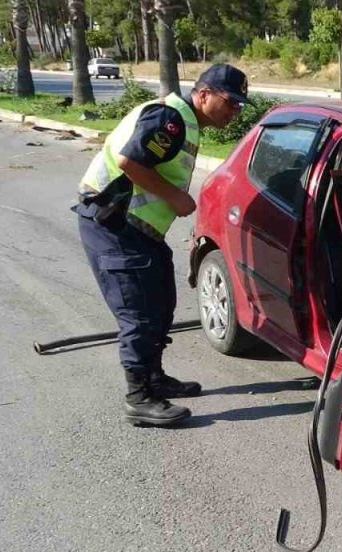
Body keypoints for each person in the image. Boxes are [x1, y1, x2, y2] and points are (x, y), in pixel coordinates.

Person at [74, 64, 249, 426]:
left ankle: (154, 377)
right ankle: (139, 397)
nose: (235, 111)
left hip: (139, 230)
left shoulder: (186, 122)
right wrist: (175, 198)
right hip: (114, 224)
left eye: (240, 106)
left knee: (161, 303)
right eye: (231, 102)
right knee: (138, 313)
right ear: (203, 94)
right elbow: (129, 161)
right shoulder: (170, 119)